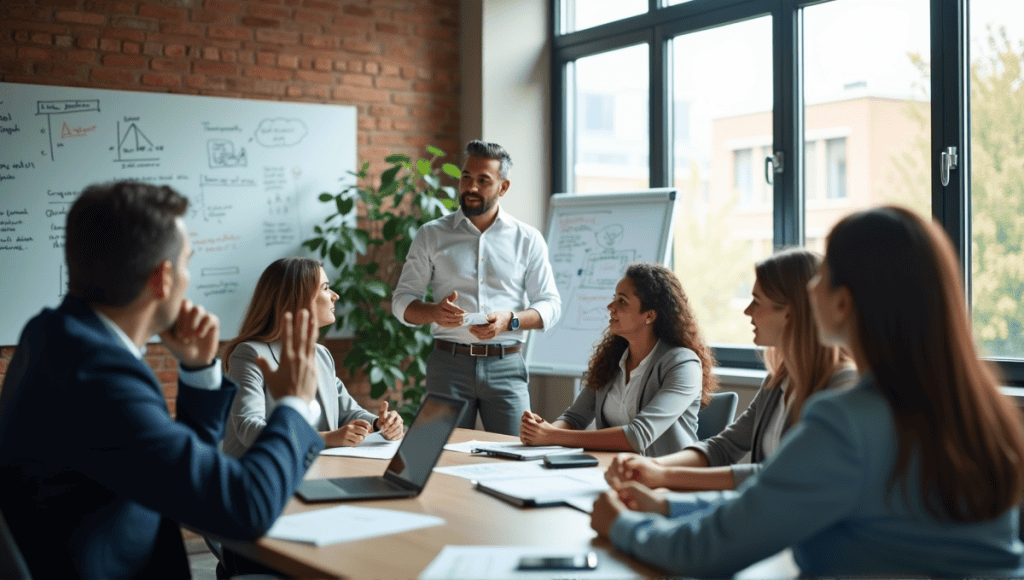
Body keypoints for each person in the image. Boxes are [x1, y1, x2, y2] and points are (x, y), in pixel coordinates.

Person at [590, 205, 1024, 578]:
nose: (812, 284)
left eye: (825, 274)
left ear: (843, 303)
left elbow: (712, 550)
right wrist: (668, 507)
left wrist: (622, 525)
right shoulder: (977, 407)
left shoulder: (847, 419)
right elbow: (774, 508)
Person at [0, 181, 325, 579]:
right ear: (163, 279)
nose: (189, 278)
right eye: (187, 262)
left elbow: (180, 475)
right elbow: (246, 507)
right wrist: (295, 402)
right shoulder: (101, 378)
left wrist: (198, 370)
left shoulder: (49, 334)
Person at [605, 249, 857, 488]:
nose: (748, 311)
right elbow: (723, 447)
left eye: (757, 302)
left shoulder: (843, 387)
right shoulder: (777, 380)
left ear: (789, 314)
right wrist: (652, 466)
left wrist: (663, 475)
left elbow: (783, 473)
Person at [392, 140, 561, 436]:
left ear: (503, 187)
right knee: (435, 456)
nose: (471, 187)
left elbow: (550, 304)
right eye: (466, 178)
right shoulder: (431, 235)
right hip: (448, 366)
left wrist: (511, 320)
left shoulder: (528, 239)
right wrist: (434, 312)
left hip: (506, 366)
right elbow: (401, 301)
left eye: (484, 180)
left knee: (515, 456)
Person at [519, 263, 717, 456]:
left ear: (649, 315)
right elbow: (575, 418)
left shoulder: (683, 364)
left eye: (622, 301)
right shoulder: (612, 358)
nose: (610, 306)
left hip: (666, 480)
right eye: (614, 298)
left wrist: (553, 435)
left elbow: (637, 436)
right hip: (613, 472)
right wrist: (542, 431)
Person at [222, 257, 403, 456]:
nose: (335, 296)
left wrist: (379, 424)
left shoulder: (321, 354)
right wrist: (325, 438)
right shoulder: (250, 354)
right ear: (298, 298)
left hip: (316, 469)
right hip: (260, 477)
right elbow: (249, 429)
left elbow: (347, 412)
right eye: (325, 288)